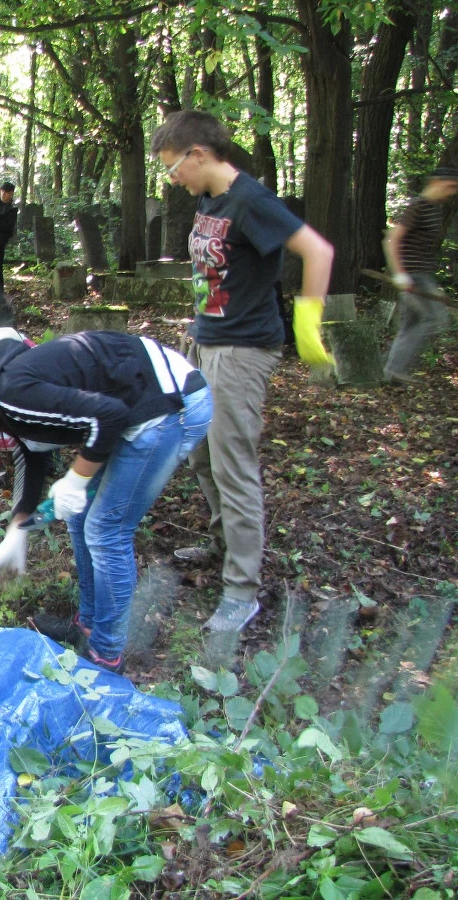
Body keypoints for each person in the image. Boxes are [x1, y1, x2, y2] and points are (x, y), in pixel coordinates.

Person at [0, 332, 213, 674]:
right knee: (80, 517)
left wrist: (77, 479)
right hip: (140, 405)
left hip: (172, 404)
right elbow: (33, 453)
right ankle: (88, 624)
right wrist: (18, 528)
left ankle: (106, 655)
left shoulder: (12, 392)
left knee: (105, 530)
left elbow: (108, 416)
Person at [151, 109, 334, 633]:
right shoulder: (210, 200)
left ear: (200, 155)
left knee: (233, 465)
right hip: (206, 343)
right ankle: (222, 545)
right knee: (201, 456)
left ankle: (242, 591)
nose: (172, 179)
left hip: (242, 352)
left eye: (173, 167)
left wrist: (307, 321)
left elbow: (317, 251)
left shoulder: (252, 200)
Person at [382, 165, 458, 384]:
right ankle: (392, 370)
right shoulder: (418, 207)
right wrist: (400, 275)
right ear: (435, 182)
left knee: (413, 323)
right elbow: (392, 239)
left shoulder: (435, 208)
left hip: (423, 275)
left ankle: (388, 369)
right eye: (450, 186)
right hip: (412, 275)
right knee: (432, 318)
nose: (452, 191)